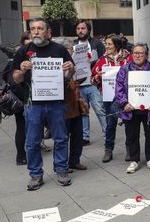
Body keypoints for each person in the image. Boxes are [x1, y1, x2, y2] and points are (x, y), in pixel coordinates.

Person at [12, 17, 75, 190]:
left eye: (40, 28)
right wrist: (22, 71)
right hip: (33, 104)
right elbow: (16, 79)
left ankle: (61, 170)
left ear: (48, 32)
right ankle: (35, 175)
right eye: (33, 28)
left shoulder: (59, 49)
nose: (36, 31)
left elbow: (70, 75)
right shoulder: (23, 51)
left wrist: (69, 69)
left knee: (61, 138)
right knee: (32, 141)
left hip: (56, 101)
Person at [114, 43, 150, 173]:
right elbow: (119, 88)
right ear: (131, 54)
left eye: (141, 53)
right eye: (135, 52)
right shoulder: (124, 69)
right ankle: (134, 160)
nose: (138, 55)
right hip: (131, 109)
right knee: (131, 135)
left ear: (146, 55)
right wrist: (124, 103)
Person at [91, 34, 132, 163]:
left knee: (129, 124)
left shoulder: (129, 58)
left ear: (117, 45)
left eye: (109, 44)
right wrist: (98, 76)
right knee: (110, 124)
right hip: (109, 97)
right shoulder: (102, 61)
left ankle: (130, 149)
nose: (106, 46)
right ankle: (108, 149)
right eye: (106, 44)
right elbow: (92, 79)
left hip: (127, 97)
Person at [53, 37, 88, 171]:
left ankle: (75, 160)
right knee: (62, 137)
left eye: (71, 50)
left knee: (77, 136)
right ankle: (60, 164)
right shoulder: (55, 64)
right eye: (68, 50)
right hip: (63, 106)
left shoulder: (74, 62)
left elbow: (80, 78)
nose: (70, 52)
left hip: (76, 104)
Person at [73, 20, 107, 146]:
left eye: (83, 28)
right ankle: (84, 137)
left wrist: (94, 60)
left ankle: (107, 135)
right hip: (79, 84)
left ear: (88, 30)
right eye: (78, 28)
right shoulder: (73, 44)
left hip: (93, 83)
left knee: (100, 110)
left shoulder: (96, 43)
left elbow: (104, 59)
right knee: (83, 112)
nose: (80, 31)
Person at [0, 42, 26, 165]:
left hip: (19, 100)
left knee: (22, 127)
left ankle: (22, 155)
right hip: (21, 101)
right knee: (22, 128)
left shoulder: (11, 64)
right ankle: (21, 156)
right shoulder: (14, 65)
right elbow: (13, 82)